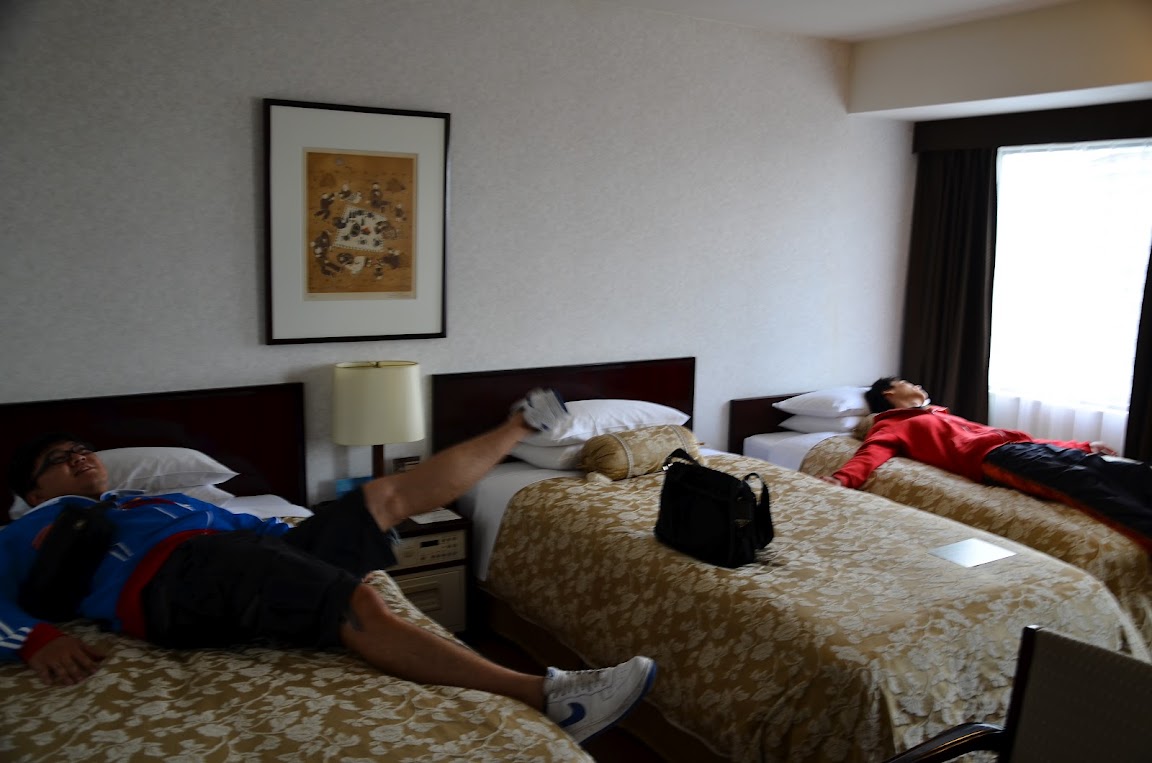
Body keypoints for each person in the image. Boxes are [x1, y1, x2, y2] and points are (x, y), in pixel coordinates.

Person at [1, 389, 656, 745]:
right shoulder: (26, 528)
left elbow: (249, 531)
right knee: (357, 600)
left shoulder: (161, 500)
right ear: (32, 491)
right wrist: (34, 638)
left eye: (84, 448)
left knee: (381, 497)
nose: (80, 457)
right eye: (59, 458)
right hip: (171, 585)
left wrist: (307, 536)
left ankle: (518, 426)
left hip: (233, 555)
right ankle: (550, 696)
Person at [818, 377, 1152, 546]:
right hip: (996, 458)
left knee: (1127, 471)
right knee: (1082, 483)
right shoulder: (892, 424)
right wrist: (843, 479)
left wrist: (1082, 445)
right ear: (889, 393)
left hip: (1019, 447)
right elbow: (871, 453)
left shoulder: (939, 415)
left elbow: (1020, 437)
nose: (917, 384)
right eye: (908, 382)